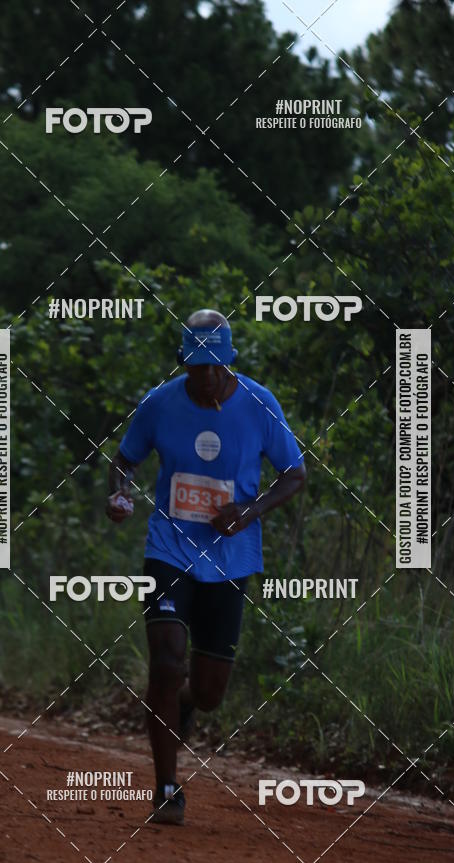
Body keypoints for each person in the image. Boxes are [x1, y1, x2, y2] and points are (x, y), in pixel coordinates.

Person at [107, 309, 306, 824]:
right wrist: (119, 494)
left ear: (230, 362)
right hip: (169, 549)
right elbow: (124, 459)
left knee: (211, 692)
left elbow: (294, 473)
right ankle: (167, 788)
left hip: (230, 558)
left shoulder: (260, 404)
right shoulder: (160, 402)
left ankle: (185, 704)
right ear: (184, 362)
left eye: (214, 366)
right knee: (168, 662)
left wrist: (251, 510)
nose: (205, 376)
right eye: (196, 366)